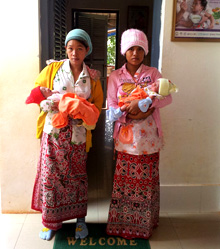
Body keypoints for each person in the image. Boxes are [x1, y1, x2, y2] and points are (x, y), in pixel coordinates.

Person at [28, 29, 103, 241]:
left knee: (76, 178)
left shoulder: (93, 77)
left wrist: (85, 118)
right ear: (66, 49)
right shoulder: (52, 69)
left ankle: (80, 221)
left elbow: (97, 104)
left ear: (87, 50)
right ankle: (50, 222)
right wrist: (47, 104)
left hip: (77, 136)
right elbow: (37, 91)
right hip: (54, 135)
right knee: (51, 177)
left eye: (80, 48)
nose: (74, 53)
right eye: (70, 48)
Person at [106, 29, 172, 240]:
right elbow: (111, 106)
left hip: (149, 138)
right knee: (125, 181)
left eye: (140, 49)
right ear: (124, 51)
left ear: (145, 51)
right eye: (131, 49)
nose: (135, 53)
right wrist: (128, 112)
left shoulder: (154, 74)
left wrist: (146, 105)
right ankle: (122, 224)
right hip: (125, 138)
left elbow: (167, 99)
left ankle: (144, 225)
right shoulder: (116, 76)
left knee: (146, 181)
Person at [106, 78, 177, 122]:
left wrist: (139, 104)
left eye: (156, 85)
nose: (153, 84)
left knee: (125, 107)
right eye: (155, 82)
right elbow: (111, 101)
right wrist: (127, 116)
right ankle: (114, 114)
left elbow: (168, 99)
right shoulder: (115, 75)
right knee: (124, 105)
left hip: (147, 126)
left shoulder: (153, 94)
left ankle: (116, 113)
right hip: (124, 127)